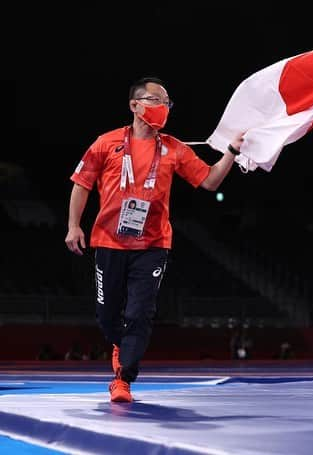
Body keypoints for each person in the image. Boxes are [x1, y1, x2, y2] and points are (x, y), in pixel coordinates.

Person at [65, 76, 244, 402]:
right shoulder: (106, 143)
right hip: (108, 242)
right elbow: (82, 183)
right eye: (155, 100)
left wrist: (232, 150)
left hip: (152, 246)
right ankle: (120, 346)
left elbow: (210, 182)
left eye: (167, 103)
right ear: (135, 105)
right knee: (107, 317)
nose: (163, 107)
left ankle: (123, 380)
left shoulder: (174, 149)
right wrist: (73, 226)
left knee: (139, 314)